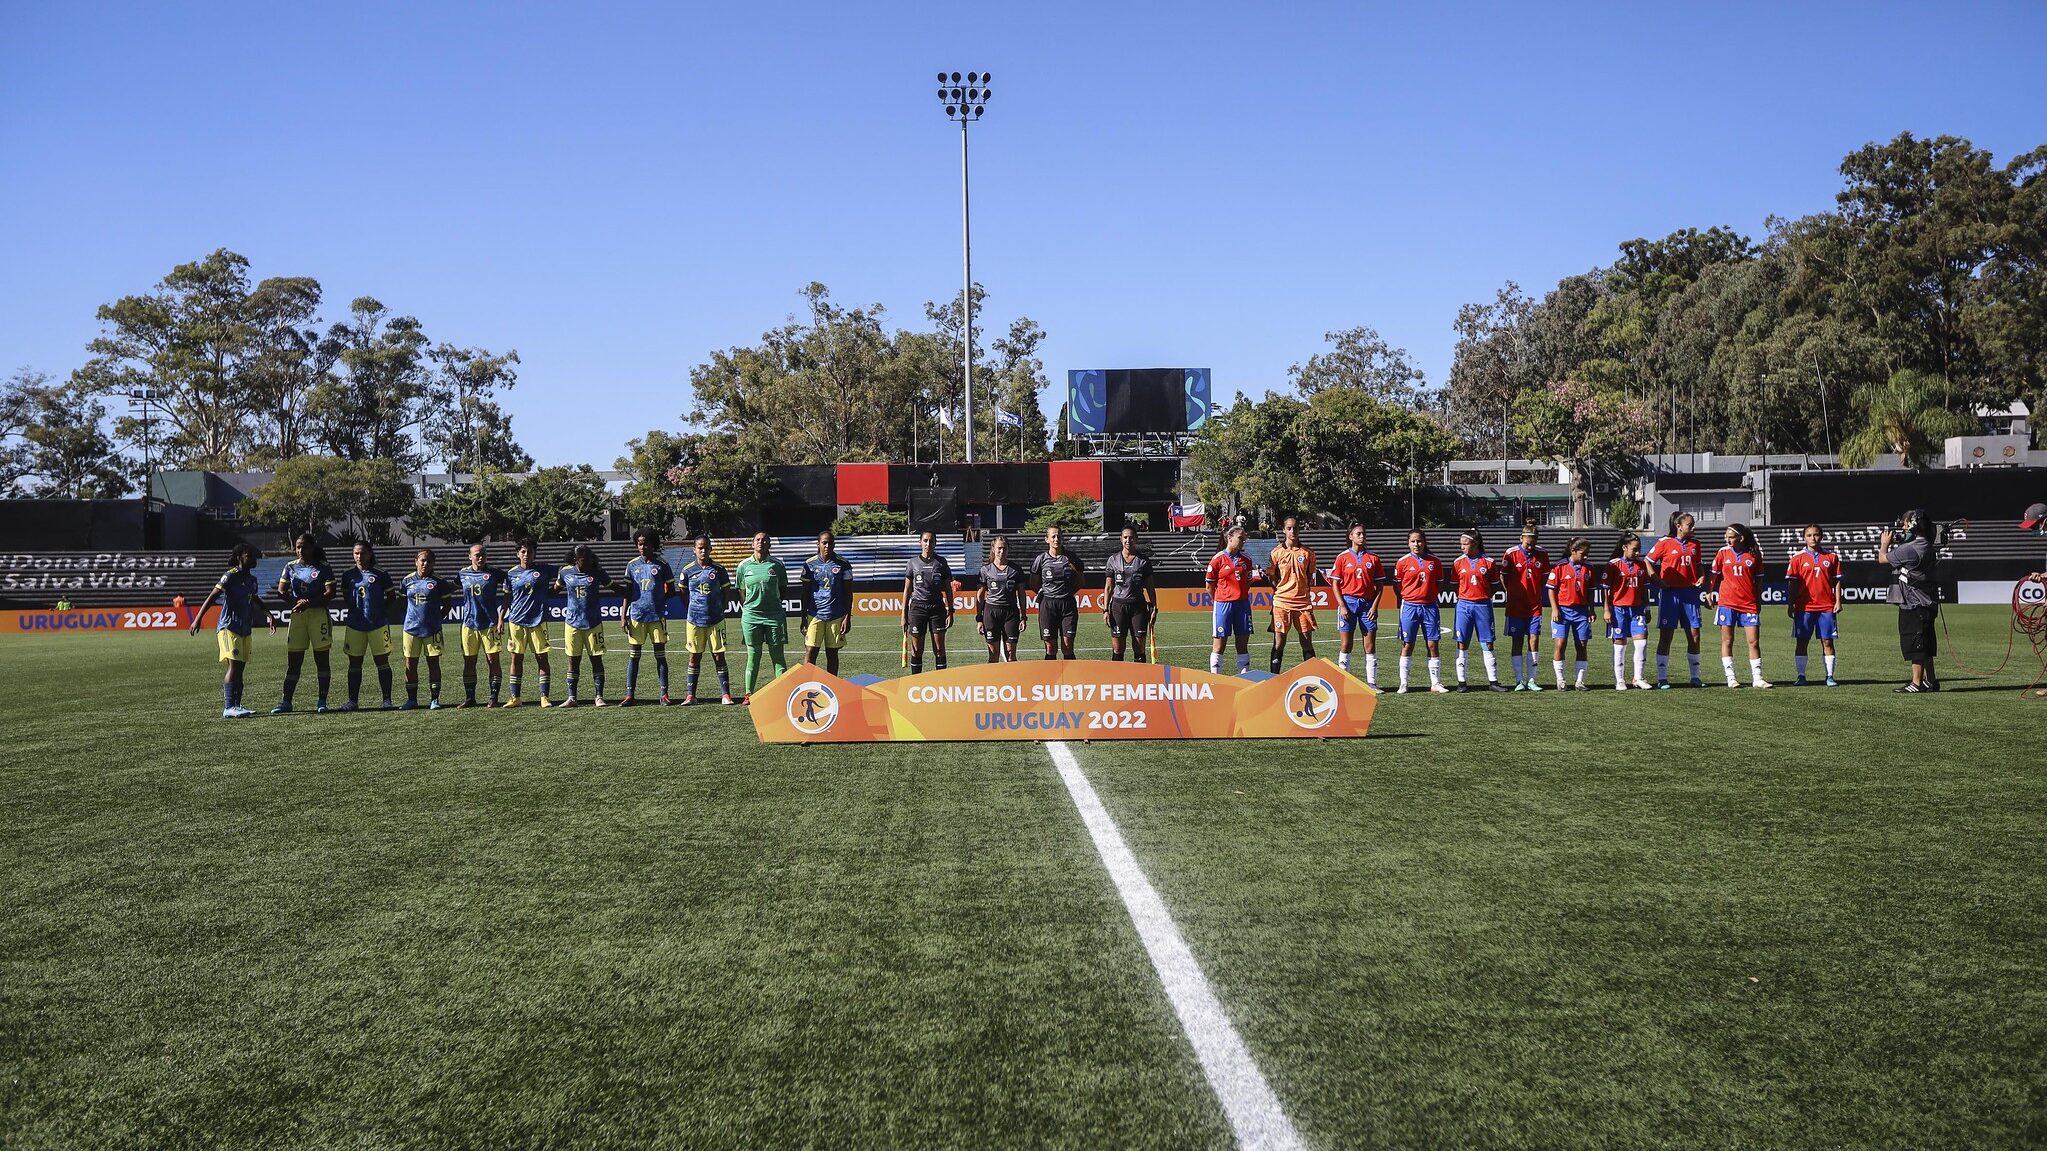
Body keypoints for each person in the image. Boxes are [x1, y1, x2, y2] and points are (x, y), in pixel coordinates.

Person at [188, 542, 275, 717]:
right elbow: (213, 596)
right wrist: (197, 619)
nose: (253, 558)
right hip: (229, 627)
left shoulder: (252, 580)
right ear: (239, 557)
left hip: (244, 629)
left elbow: (254, 599)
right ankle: (228, 707)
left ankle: (237, 705)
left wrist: (269, 614)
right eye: (248, 555)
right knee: (234, 667)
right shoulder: (230, 576)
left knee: (240, 669)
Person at [1877, 509, 1940, 694]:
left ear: (1912, 525)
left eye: (1905, 525)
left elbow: (1882, 559)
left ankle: (1916, 683)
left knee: (1916, 644)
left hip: (1913, 603)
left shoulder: (1910, 549)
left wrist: (1884, 544)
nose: (1902, 529)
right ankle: (1931, 680)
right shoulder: (1926, 546)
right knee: (1926, 643)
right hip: (1926, 602)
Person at [273, 531, 334, 714]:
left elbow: (330, 592)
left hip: (318, 615)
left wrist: (309, 603)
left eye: (303, 546)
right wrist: (298, 603)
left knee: (321, 660)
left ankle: (322, 701)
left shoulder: (323, 566)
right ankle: (286, 702)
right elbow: (281, 591)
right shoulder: (290, 567)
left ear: (312, 547)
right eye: (297, 547)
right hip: (298, 616)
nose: (300, 550)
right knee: (294, 661)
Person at [1709, 524, 1772, 688]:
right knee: (1727, 641)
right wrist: (1709, 593)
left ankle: (1757, 678)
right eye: (1726, 536)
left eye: (1730, 536)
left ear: (1741, 538)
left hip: (1748, 604)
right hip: (1727, 603)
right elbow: (1714, 575)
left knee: (1753, 642)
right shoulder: (1723, 552)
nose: (1727, 539)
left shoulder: (1754, 554)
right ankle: (1731, 678)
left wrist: (1758, 601)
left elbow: (1759, 581)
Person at [1648, 512, 1707, 689]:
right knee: (1667, 636)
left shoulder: (1695, 544)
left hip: (1690, 594)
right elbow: (1648, 561)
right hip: (1670, 594)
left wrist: (1702, 576)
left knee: (1694, 635)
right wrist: (1657, 580)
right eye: (1690, 524)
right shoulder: (1664, 543)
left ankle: (1695, 677)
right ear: (1678, 526)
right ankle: (1662, 678)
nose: (1693, 527)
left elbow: (1698, 565)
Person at [337, 542, 398, 711]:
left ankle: (387, 700)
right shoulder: (348, 574)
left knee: (382, 661)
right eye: (356, 553)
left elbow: (392, 597)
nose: (359, 556)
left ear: (370, 554)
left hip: (378, 625)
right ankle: (352, 701)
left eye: (362, 553)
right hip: (355, 625)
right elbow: (346, 596)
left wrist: (379, 611)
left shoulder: (381, 573)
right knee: (354, 663)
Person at [619, 528, 677, 706]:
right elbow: (627, 593)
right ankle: (630, 695)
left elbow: (671, 591)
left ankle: (664, 694)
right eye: (639, 544)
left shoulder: (662, 565)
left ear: (653, 544)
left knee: (660, 656)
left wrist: (658, 600)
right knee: (634, 656)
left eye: (645, 544)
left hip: (657, 616)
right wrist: (623, 615)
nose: (642, 547)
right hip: (636, 616)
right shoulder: (632, 565)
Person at [678, 534, 738, 705]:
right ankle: (691, 695)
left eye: (706, 547)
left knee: (718, 656)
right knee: (694, 657)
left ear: (711, 549)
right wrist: (691, 608)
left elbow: (726, 592)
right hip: (694, 620)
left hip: (716, 619)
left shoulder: (718, 570)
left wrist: (721, 607)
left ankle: (726, 694)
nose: (703, 550)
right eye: (700, 547)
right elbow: (683, 593)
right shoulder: (687, 570)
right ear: (694, 550)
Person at [1327, 521, 1387, 686]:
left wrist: (1374, 606)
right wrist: (1342, 606)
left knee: (1370, 644)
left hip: (1367, 605)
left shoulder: (1373, 558)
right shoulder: (1342, 558)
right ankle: (1342, 682)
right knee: (1346, 644)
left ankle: (1372, 683)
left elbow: (1380, 586)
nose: (1362, 536)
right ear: (1350, 536)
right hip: (1348, 603)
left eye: (1363, 533)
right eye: (1358, 533)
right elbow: (1335, 584)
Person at [553, 544, 612, 707]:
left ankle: (599, 696)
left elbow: (613, 586)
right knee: (573, 660)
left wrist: (630, 593)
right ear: (575, 560)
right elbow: (555, 590)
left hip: (593, 623)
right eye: (583, 560)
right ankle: (572, 697)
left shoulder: (598, 572)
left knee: (596, 659)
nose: (587, 562)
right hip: (572, 623)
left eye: (589, 558)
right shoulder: (565, 572)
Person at [1785, 523, 1843, 687]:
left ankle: (1830, 676)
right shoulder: (1797, 558)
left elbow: (1837, 581)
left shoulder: (1831, 557)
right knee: (1802, 642)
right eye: (1809, 535)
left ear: (1821, 536)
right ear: (1804, 538)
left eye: (1816, 534)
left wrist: (1838, 601)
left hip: (1826, 607)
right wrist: (1791, 604)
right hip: (1804, 607)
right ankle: (1801, 676)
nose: (1813, 538)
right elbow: (1792, 584)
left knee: (1827, 642)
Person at [736, 530, 791, 700]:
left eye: (765, 540)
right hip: (751, 617)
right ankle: (748, 694)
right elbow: (741, 591)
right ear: (753, 544)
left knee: (778, 656)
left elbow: (783, 590)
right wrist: (751, 606)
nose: (761, 542)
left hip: (774, 616)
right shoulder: (743, 566)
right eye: (758, 540)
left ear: (769, 544)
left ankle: (783, 694)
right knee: (753, 656)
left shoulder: (777, 565)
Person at [1451, 530, 1508, 692]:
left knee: (1488, 642)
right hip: (1463, 606)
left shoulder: (1489, 562)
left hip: (1483, 606)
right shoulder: (1458, 563)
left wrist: (1483, 597)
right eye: (1461, 543)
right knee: (1462, 642)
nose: (1461, 546)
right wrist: (1465, 596)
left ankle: (1493, 682)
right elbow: (1455, 585)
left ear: (1475, 543)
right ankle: (1461, 683)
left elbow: (1495, 584)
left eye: (1465, 543)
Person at [1394, 530, 1449, 693]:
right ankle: (1404, 683)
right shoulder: (1402, 562)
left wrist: (1428, 596)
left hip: (1430, 607)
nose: (1416, 544)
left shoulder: (1435, 562)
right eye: (1413, 541)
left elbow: (1439, 584)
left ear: (1424, 542)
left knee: (1432, 644)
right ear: (1408, 543)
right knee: (1407, 644)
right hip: (1410, 606)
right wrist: (1409, 596)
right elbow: (1398, 587)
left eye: (1419, 541)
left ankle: (1436, 683)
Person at [1499, 522, 1552, 691]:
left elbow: (1544, 578)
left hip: (1534, 605)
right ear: (1521, 538)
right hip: (1515, 606)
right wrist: (1512, 593)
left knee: (1534, 639)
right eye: (1527, 543)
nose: (1530, 547)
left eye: (1533, 543)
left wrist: (1535, 592)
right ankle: (1519, 680)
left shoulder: (1542, 554)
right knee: (1517, 641)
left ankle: (1531, 680)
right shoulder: (1511, 554)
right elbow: (1503, 576)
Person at [501, 537, 553, 707]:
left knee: (542, 657)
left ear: (534, 553)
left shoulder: (544, 570)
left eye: (529, 551)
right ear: (518, 554)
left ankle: (544, 696)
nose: (526, 554)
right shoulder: (510, 574)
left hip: (538, 620)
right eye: (523, 551)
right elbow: (507, 598)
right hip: (516, 621)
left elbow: (565, 572)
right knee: (516, 659)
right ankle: (515, 697)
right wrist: (501, 618)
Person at [454, 542, 507, 708]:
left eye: (483, 554)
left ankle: (493, 698)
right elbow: (450, 587)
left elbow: (509, 590)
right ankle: (470, 698)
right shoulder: (462, 574)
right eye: (477, 555)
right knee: (469, 661)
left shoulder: (495, 573)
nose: (481, 557)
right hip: (469, 624)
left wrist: (501, 617)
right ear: (470, 557)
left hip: (490, 624)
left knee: (493, 660)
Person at [1264, 516, 1320, 673]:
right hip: (1282, 602)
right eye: (1289, 528)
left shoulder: (1308, 553)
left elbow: (1309, 577)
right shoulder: (1276, 553)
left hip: (1303, 603)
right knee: (1279, 641)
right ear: (1283, 530)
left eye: (1295, 528)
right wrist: (1282, 590)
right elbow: (1272, 577)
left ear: (1299, 530)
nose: (1292, 531)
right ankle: (1273, 678)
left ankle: (1312, 677)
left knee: (1306, 641)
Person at [399, 548, 452, 709]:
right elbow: (402, 604)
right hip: (410, 630)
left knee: (433, 664)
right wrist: (410, 619)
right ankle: (412, 700)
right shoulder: (406, 581)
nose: (425, 563)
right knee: (410, 664)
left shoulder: (439, 582)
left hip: (432, 630)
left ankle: (434, 699)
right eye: (422, 560)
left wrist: (435, 620)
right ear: (416, 561)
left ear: (433, 563)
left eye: (429, 561)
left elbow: (447, 607)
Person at [1205, 526, 1262, 675]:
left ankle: (1244, 679)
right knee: (1219, 645)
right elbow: (1209, 586)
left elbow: (1248, 581)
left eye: (1244, 538)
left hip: (1242, 605)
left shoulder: (1246, 560)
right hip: (1223, 605)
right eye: (1240, 538)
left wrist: (1240, 593)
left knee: (1242, 645)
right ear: (1229, 538)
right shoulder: (1217, 560)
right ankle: (1215, 679)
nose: (1243, 541)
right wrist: (1219, 599)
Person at [799, 529, 855, 676]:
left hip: (836, 615)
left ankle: (832, 687)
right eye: (824, 543)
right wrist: (803, 616)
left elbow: (848, 592)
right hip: (814, 615)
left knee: (832, 654)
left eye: (830, 543)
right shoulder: (809, 564)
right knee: (811, 651)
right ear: (818, 544)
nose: (827, 546)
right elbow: (804, 593)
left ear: (834, 545)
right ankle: (807, 685)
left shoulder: (843, 564)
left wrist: (848, 617)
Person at [1100, 524, 1158, 663]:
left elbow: (1150, 587)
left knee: (1139, 649)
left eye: (1131, 537)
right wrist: (1105, 610)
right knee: (1118, 649)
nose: (1128, 540)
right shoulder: (1113, 560)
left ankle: (1140, 681)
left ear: (1136, 539)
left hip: (1138, 608)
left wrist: (1155, 607)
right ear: (1121, 539)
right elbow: (1108, 587)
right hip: (1118, 607)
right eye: (1125, 537)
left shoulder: (1143, 561)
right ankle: (1117, 681)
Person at [1604, 533, 1654, 690]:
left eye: (1639, 549)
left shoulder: (1641, 565)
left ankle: (1638, 677)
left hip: (1637, 609)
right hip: (1618, 610)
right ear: (1624, 548)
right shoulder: (1613, 565)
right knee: (1620, 645)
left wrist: (1647, 608)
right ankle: (1620, 680)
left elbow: (1644, 590)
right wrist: (1606, 610)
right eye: (1635, 549)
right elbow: (1606, 590)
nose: (1638, 552)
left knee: (1642, 643)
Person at [903, 530, 956, 673]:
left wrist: (951, 611)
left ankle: (940, 683)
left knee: (939, 649)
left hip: (937, 608)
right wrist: (904, 615)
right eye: (925, 540)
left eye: (931, 541)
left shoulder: (941, 562)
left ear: (935, 543)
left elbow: (948, 590)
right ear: (920, 542)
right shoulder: (912, 563)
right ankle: (915, 683)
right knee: (917, 650)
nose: (928, 544)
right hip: (917, 609)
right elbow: (907, 590)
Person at [1546, 537, 1595, 690]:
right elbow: (1551, 590)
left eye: (1587, 554)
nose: (1586, 556)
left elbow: (1590, 592)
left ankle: (1579, 681)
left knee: (1581, 645)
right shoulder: (1560, 567)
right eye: (1583, 553)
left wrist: (1591, 609)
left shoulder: (1589, 568)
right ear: (1572, 551)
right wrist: (1555, 608)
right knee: (1560, 644)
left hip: (1581, 612)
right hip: (1563, 612)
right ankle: (1560, 680)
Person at [1029, 525, 1085, 660]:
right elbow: (1033, 584)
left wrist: (1069, 592)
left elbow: (1081, 581)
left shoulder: (1071, 558)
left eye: (1059, 536)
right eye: (1053, 536)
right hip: (1048, 605)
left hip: (1067, 604)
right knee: (1050, 648)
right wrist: (1046, 593)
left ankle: (1070, 679)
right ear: (1047, 539)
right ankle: (1050, 679)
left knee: (1067, 646)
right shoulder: (1041, 559)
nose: (1056, 539)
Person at [976, 534, 1025, 663]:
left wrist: (1023, 616)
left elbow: (1021, 594)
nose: (1001, 551)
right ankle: (994, 682)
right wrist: (979, 619)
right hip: (991, 612)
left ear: (1008, 549)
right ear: (993, 549)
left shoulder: (1016, 570)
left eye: (1004, 548)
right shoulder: (985, 570)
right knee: (993, 654)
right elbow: (980, 596)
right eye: (999, 548)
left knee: (1011, 654)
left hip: (1011, 613)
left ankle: (1012, 682)